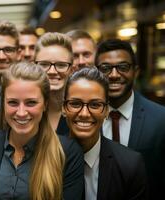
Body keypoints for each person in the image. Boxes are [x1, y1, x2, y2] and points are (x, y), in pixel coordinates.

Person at [0, 62, 84, 200]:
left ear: (45, 104)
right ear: (4, 104)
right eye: (13, 102)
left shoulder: (68, 152)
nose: (21, 113)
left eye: (31, 103)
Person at [95, 38, 165, 199]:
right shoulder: (84, 117)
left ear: (136, 71)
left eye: (123, 67)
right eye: (105, 68)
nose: (113, 75)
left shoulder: (161, 120)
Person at [63, 67, 147, 200]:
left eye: (95, 105)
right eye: (75, 104)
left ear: (107, 110)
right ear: (64, 108)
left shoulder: (130, 165)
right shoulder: (44, 159)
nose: (84, 114)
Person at [34, 32, 73, 135]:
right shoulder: (24, 110)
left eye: (61, 65)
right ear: (34, 67)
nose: (52, 72)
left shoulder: (80, 111)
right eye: (44, 64)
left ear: (71, 70)